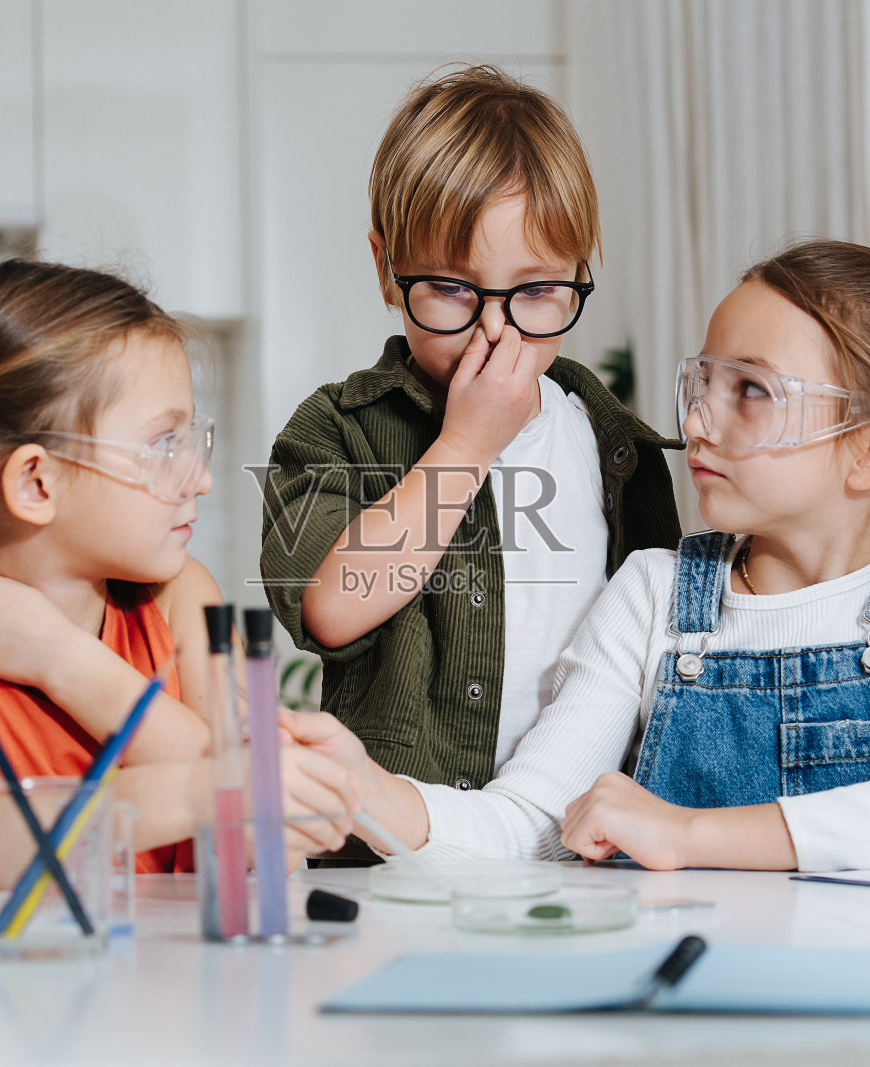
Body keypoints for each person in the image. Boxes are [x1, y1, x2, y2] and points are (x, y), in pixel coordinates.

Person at [293, 238, 870, 872]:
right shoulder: (652, 593)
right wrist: (367, 788)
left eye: (751, 390)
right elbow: (532, 824)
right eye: (703, 380)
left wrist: (689, 833)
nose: (697, 420)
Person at [0, 260, 356, 901]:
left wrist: (62, 660)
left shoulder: (179, 601)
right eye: (164, 444)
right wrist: (195, 791)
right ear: (36, 482)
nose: (199, 477)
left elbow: (257, 815)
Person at [258, 66, 681, 860]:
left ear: (579, 275)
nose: (496, 331)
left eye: (535, 291)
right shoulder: (336, 430)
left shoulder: (618, 445)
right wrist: (465, 447)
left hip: (576, 854)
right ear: (388, 269)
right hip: (385, 852)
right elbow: (331, 607)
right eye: (452, 289)